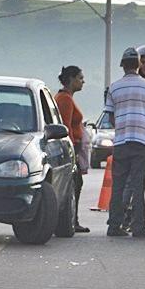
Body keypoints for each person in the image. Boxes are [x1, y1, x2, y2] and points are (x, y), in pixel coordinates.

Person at [103, 47, 145, 238]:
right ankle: (138, 226)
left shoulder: (114, 87)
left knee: (118, 186)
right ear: (138, 65)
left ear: (122, 66)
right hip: (142, 141)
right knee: (138, 185)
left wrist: (122, 126)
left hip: (120, 142)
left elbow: (110, 117)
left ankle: (114, 225)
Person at [54, 65, 90, 233]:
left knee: (76, 183)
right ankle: (71, 220)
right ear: (71, 79)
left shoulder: (67, 97)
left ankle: (72, 219)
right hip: (71, 146)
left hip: (73, 145)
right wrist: (72, 150)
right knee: (74, 184)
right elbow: (66, 126)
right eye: (80, 78)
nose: (83, 81)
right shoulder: (65, 99)